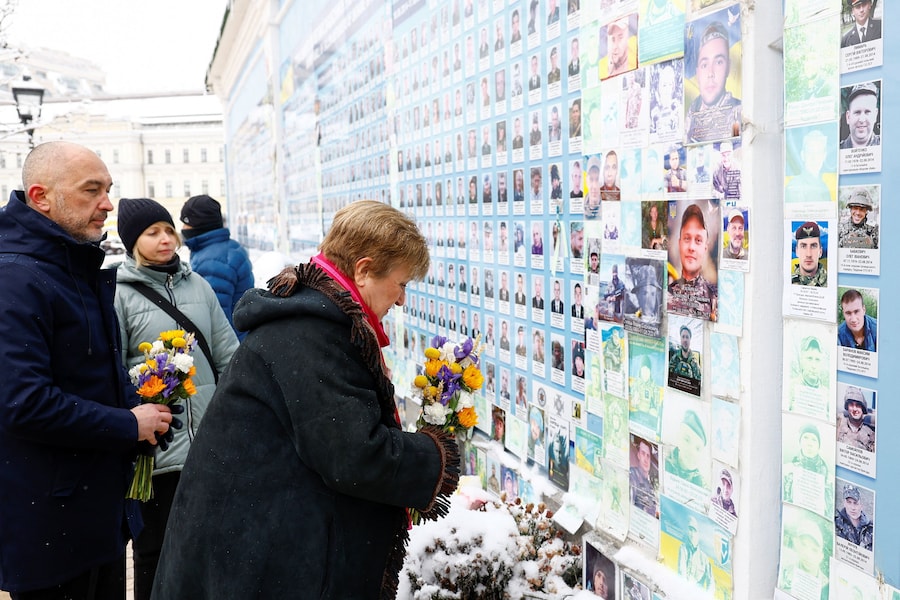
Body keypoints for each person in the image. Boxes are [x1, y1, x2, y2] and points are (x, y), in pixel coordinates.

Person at [151, 201, 461, 599]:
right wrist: (435, 454)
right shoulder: (311, 334)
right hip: (254, 557)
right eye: (401, 284)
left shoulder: (313, 317)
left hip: (247, 541)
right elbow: (353, 456)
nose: (401, 300)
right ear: (364, 270)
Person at [0, 141, 178, 598]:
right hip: (50, 527)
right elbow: (23, 403)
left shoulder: (70, 266)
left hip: (89, 515)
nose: (108, 204)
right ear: (41, 196)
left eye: (108, 188)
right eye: (91, 190)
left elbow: (84, 374)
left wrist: (143, 412)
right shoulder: (16, 278)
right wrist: (125, 423)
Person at [114, 198, 240, 600]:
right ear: (133, 242)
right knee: (154, 552)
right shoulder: (120, 296)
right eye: (152, 233)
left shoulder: (198, 285)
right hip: (155, 452)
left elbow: (227, 353)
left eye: (168, 230)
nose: (165, 239)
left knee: (209, 546)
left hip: (207, 445)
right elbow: (113, 368)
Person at [179, 194, 255, 340]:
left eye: (186, 222)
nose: (183, 228)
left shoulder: (212, 260)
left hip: (233, 342)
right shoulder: (225, 248)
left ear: (198, 224)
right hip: (242, 334)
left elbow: (216, 318)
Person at [685, 21, 742, 142]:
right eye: (704, 65)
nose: (710, 73)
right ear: (698, 72)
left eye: (718, 62)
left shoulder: (739, 113)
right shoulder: (689, 119)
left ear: (728, 67)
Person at [668, 204, 718, 320]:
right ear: (679, 243)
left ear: (705, 248)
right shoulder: (667, 293)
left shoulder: (714, 297)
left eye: (698, 240)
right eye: (687, 238)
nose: (691, 247)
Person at [779, 518, 829, 600]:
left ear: (821, 556)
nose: (808, 554)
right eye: (804, 545)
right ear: (796, 544)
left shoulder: (827, 586)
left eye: (814, 550)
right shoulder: (785, 573)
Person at [785, 130, 830, 203]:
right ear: (803, 155)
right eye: (810, 152)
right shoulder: (795, 187)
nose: (814, 158)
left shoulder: (824, 186)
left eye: (818, 152)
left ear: (824, 156)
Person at [665, 409, 707, 487]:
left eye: (698, 448)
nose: (692, 452)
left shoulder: (703, 485)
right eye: (687, 440)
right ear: (678, 438)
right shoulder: (663, 465)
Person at [677, 516, 713, 590]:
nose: (692, 534)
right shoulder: (683, 549)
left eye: (695, 530)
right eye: (690, 530)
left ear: (698, 534)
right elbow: (681, 572)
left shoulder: (704, 558)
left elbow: (711, 582)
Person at [840, 82, 880, 149]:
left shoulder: (888, 146)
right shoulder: (836, 151)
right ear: (848, 117)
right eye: (857, 112)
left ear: (875, 115)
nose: (862, 119)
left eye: (867, 112)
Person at [834, 484, 873, 550]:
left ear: (861, 505)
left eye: (856, 503)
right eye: (849, 502)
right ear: (844, 503)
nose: (852, 508)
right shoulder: (836, 523)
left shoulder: (870, 529)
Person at [837, 386, 875, 452]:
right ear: (847, 407)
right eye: (851, 405)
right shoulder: (839, 424)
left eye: (858, 405)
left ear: (863, 408)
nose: (854, 409)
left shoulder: (871, 432)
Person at [791, 221, 827, 286]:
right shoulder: (789, 282)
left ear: (820, 252)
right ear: (797, 251)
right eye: (803, 246)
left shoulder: (830, 283)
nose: (808, 254)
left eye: (813, 246)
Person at [629, 438, 658, 516]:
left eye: (648, 456)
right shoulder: (632, 476)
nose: (646, 459)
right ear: (638, 455)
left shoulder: (649, 486)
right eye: (643, 453)